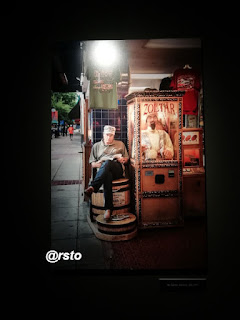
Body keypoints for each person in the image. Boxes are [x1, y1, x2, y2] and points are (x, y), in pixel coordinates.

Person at [84, 125, 129, 221]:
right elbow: (92, 164)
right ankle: (108, 209)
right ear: (103, 134)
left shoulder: (120, 144)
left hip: (117, 169)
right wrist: (100, 164)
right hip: (103, 171)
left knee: (108, 163)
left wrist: (122, 159)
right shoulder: (96, 146)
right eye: (107, 135)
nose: (109, 137)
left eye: (111, 135)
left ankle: (93, 187)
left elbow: (126, 159)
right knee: (107, 175)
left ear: (114, 135)